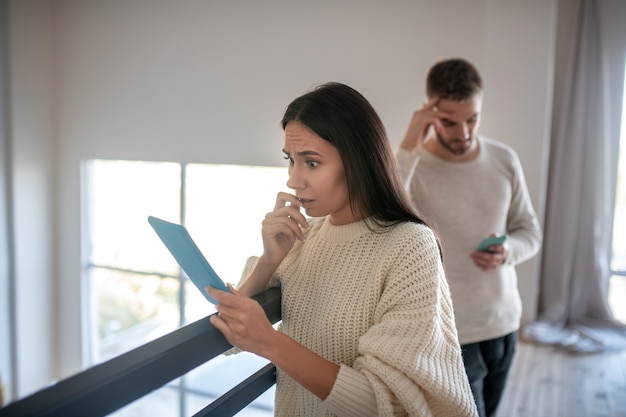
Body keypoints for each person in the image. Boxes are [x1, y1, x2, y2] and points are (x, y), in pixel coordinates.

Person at [207, 82, 478, 417]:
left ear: (357, 161)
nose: (293, 179)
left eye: (312, 163)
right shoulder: (303, 238)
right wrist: (268, 261)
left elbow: (388, 404)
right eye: (291, 160)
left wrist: (271, 343)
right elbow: (229, 338)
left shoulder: (409, 246)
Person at [395, 58, 543, 417]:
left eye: (472, 119)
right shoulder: (411, 168)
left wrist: (507, 250)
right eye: (449, 122)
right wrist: (409, 143)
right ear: (428, 111)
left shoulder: (504, 160)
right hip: (451, 335)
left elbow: (530, 231)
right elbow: (380, 212)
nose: (463, 132)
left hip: (506, 323)